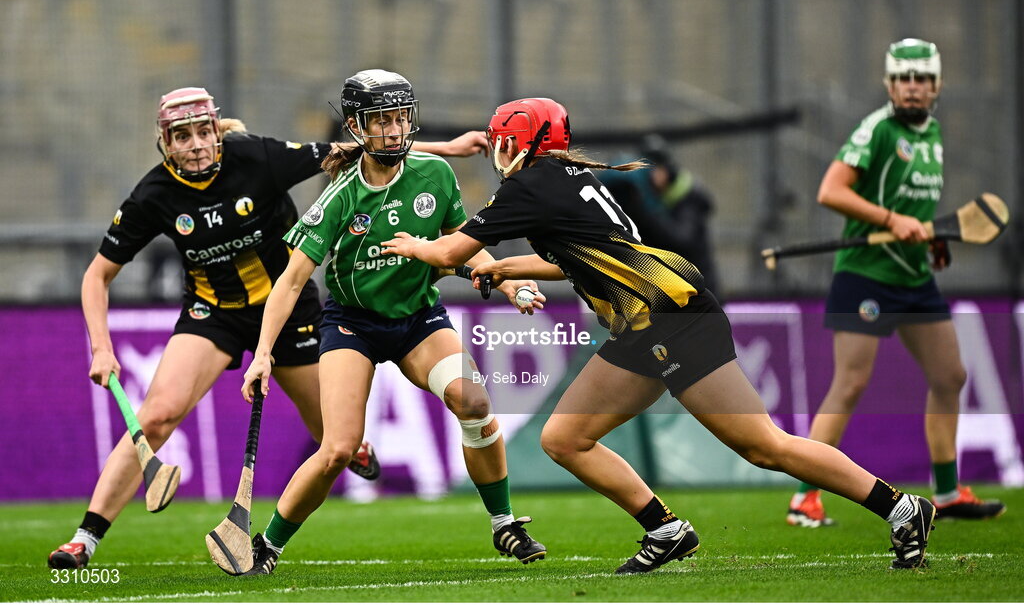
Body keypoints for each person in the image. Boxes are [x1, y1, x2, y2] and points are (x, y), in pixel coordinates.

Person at [383, 97, 938, 573]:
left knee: (764, 446)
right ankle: (665, 530)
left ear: (521, 143)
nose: (499, 152)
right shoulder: (571, 178)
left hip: (667, 320)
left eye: (504, 141)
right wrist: (506, 269)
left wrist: (413, 245)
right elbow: (580, 260)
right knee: (564, 439)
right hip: (648, 321)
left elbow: (450, 251)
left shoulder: (529, 187)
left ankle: (900, 507)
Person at [47, 86, 490, 570]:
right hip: (213, 314)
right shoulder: (155, 195)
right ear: (164, 143)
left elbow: (360, 148)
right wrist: (101, 348)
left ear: (217, 131)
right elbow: (98, 275)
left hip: (290, 309)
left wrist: (448, 149)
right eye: (181, 136)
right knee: (156, 416)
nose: (194, 144)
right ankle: (85, 539)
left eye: (202, 131)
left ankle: (353, 445)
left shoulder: (258, 157)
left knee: (333, 440)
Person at [239, 69, 546, 576]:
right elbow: (291, 282)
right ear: (358, 126)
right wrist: (264, 354)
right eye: (382, 121)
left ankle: (505, 523)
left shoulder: (435, 174)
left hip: (418, 319)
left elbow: (460, 244)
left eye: (402, 118)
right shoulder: (339, 197)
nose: (395, 130)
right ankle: (268, 546)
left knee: (473, 401)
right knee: (338, 448)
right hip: (351, 326)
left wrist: (508, 281)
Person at [786, 39, 1005, 528]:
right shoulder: (877, 130)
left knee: (951, 376)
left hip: (914, 275)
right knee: (850, 382)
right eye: (903, 80)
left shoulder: (933, 135)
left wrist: (927, 239)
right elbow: (831, 191)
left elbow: (915, 210)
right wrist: (891, 218)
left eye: (922, 80)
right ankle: (805, 498)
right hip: (867, 276)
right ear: (889, 85)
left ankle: (946, 493)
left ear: (937, 86)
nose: (912, 88)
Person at [601, 134, 720, 295]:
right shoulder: (652, 199)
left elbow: (681, 241)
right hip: (674, 294)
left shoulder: (687, 197)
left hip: (701, 294)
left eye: (654, 168)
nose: (650, 175)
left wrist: (643, 211)